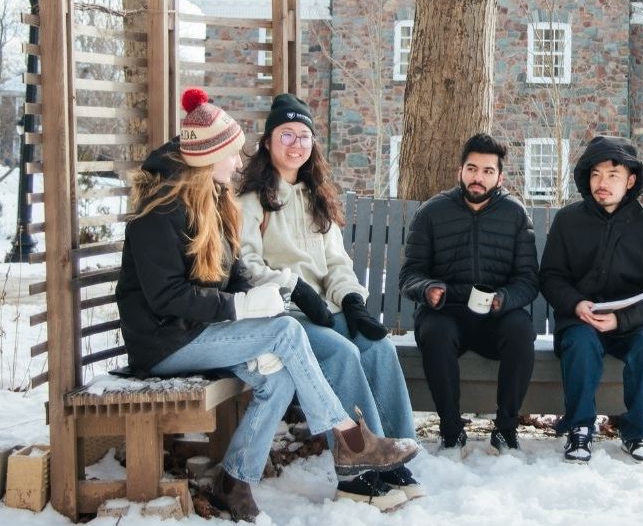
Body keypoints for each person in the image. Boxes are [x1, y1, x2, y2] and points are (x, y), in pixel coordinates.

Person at [114, 89, 418, 522]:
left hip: (202, 332)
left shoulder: (212, 202)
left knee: (278, 380)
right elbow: (167, 298)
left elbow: (232, 270)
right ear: (209, 156)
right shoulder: (159, 212)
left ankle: (234, 481)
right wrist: (244, 306)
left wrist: (259, 299)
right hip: (165, 343)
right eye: (233, 153)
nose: (239, 163)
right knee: (287, 333)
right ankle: (352, 442)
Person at [237, 94, 422, 508]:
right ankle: (359, 467)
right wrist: (293, 286)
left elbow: (337, 263)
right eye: (287, 134)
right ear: (268, 142)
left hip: (327, 309)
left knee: (377, 347)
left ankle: (392, 458)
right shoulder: (251, 201)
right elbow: (245, 266)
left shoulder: (316, 197)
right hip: (284, 315)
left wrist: (353, 301)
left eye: (304, 136)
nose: (296, 144)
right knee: (342, 354)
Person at [539, 136, 643, 464]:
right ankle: (580, 428)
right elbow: (551, 276)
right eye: (596, 174)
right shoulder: (568, 220)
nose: (603, 183)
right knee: (581, 345)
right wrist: (575, 304)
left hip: (633, 324)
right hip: (581, 320)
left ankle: (637, 430)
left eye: (613, 175)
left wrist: (621, 319)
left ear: (630, 180)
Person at [399, 133, 538, 454]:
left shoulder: (514, 214)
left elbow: (528, 279)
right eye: (472, 168)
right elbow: (410, 275)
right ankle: (450, 429)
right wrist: (428, 289)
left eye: (488, 171)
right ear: (460, 171)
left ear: (500, 177)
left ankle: (505, 428)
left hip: (495, 315)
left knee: (521, 329)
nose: (478, 177)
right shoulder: (433, 212)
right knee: (436, 330)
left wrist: (505, 298)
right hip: (447, 311)